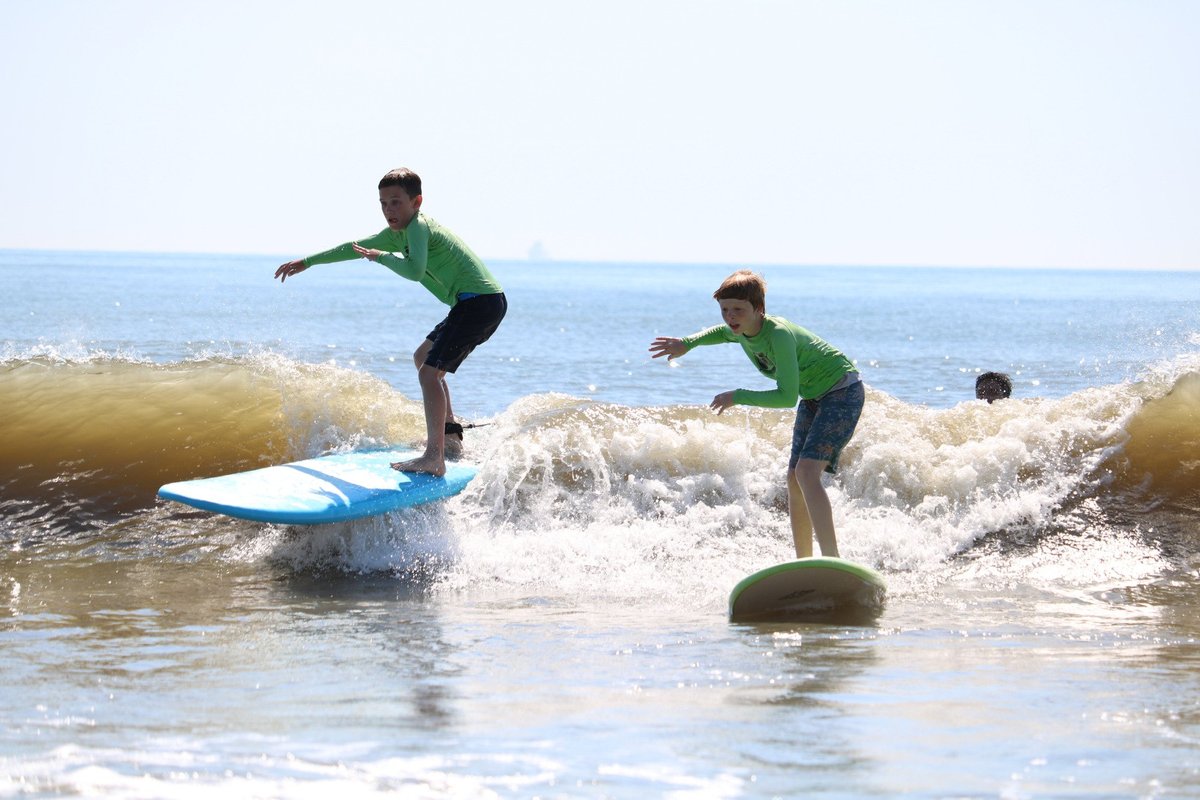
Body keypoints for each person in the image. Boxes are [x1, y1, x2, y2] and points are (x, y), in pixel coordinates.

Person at [275, 167, 506, 476]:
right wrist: (308, 261)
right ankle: (449, 435)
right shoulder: (398, 234)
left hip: (480, 303)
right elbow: (352, 247)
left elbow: (413, 271)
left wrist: (380, 256)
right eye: (383, 203)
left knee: (429, 374)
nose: (388, 210)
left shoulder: (418, 229)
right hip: (475, 303)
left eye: (396, 202)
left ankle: (434, 457)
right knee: (423, 357)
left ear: (417, 202)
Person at [649, 270, 863, 559]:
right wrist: (687, 343)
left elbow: (787, 397)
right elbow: (719, 332)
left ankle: (832, 560)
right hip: (814, 397)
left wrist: (737, 396)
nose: (730, 317)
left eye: (738, 309)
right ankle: (805, 562)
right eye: (725, 309)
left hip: (842, 391)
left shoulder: (778, 334)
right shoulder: (741, 330)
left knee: (806, 473)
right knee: (793, 478)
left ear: (759, 309)